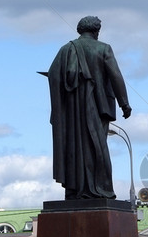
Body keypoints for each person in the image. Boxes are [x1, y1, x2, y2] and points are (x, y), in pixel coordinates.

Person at [46, 16, 132, 200]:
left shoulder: (65, 50)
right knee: (97, 146)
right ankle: (100, 189)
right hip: (98, 106)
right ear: (96, 31)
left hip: (72, 110)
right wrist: (124, 103)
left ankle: (75, 189)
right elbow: (115, 76)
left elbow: (53, 74)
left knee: (75, 145)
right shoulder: (103, 48)